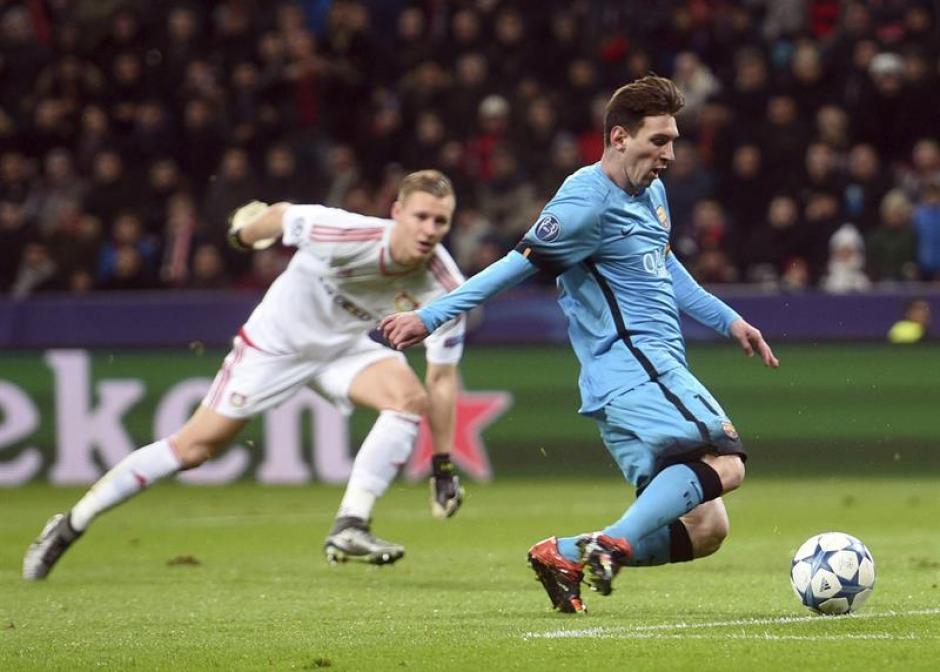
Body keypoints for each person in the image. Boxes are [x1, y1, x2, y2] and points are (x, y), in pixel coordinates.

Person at [381, 77, 780, 614]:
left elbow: (662, 263)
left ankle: (562, 553)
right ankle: (609, 543)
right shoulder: (584, 204)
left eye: (673, 140)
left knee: (706, 527)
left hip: (628, 380)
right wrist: (430, 316)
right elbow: (515, 264)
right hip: (636, 363)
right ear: (619, 137)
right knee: (727, 464)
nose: (669, 154)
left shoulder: (650, 192)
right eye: (658, 141)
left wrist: (726, 318)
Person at [24, 169, 467, 580]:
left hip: (345, 347)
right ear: (396, 213)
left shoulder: (447, 286)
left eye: (440, 222)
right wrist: (242, 233)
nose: (429, 230)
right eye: (421, 217)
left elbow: (442, 378)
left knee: (408, 398)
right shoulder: (346, 233)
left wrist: (442, 464)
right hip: (275, 344)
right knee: (193, 448)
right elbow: (281, 216)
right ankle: (72, 523)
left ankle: (351, 524)